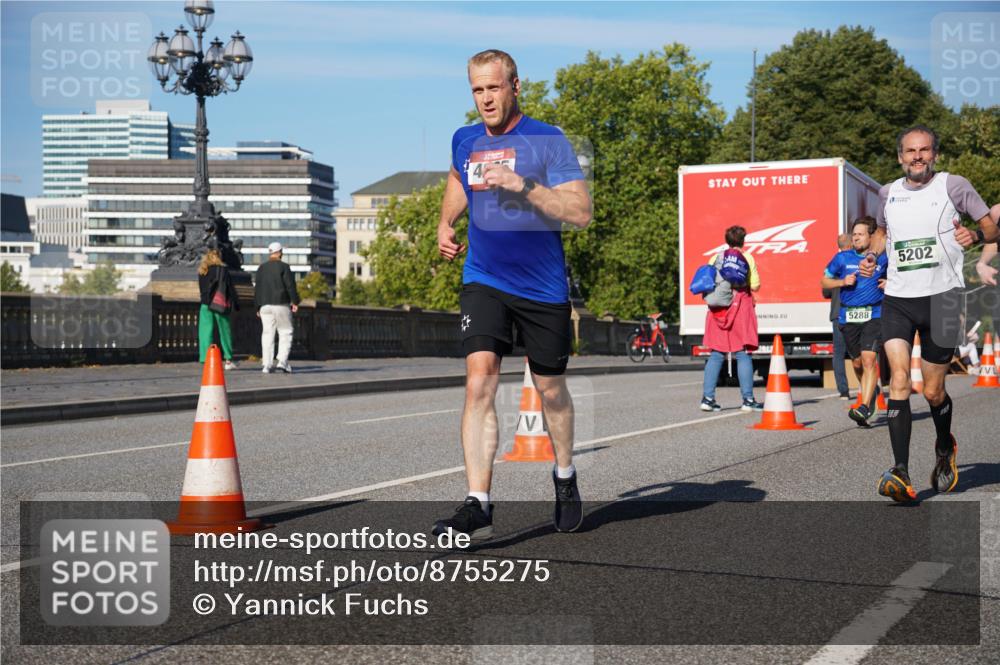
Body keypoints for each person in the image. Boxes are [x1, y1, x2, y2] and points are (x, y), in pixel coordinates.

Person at [434, 49, 592, 539]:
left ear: (515, 86)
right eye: (477, 90)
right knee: (479, 379)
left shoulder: (547, 139)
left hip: (542, 287)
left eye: (494, 88)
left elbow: (580, 211)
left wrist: (523, 185)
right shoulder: (465, 138)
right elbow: (460, 179)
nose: (485, 99)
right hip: (484, 278)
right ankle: (477, 501)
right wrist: (445, 220)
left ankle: (564, 476)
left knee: (550, 391)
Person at [859, 125, 998, 502]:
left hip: (945, 297)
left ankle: (943, 447)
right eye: (910, 151)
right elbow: (882, 234)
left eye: (924, 150)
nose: (917, 157)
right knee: (899, 380)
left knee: (934, 391)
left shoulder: (954, 186)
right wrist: (873, 256)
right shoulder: (887, 193)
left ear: (934, 154)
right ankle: (900, 472)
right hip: (899, 298)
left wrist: (974, 235)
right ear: (900, 156)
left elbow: (990, 228)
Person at [821, 217, 887, 426]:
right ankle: (869, 390)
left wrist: (889, 281)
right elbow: (824, 280)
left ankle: (865, 405)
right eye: (854, 234)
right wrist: (842, 281)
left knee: (869, 360)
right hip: (848, 316)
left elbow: (899, 276)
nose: (856, 237)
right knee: (857, 363)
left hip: (874, 315)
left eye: (861, 234)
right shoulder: (842, 258)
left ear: (871, 236)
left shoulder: (883, 258)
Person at [699, 225, 763, 413]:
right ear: (743, 240)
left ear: (726, 240)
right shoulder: (748, 258)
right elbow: (756, 285)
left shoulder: (715, 257)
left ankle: (708, 399)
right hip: (740, 307)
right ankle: (748, 400)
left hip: (718, 309)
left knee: (716, 353)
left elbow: (708, 281)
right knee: (743, 353)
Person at [254, 241, 300, 374]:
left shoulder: (261, 268)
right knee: (285, 331)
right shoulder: (284, 267)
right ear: (280, 253)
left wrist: (257, 306)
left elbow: (257, 288)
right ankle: (282, 362)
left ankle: (266, 365)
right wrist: (295, 301)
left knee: (267, 334)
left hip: (264, 305)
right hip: (280, 303)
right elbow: (290, 286)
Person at [823, 233, 854, 400]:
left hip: (837, 313)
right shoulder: (856, 261)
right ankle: (869, 387)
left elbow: (825, 291)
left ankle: (843, 391)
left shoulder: (833, 265)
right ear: (850, 244)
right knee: (861, 351)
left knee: (838, 353)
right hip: (856, 313)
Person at [197, 249, 238, 370]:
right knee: (224, 332)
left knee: (205, 333)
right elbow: (229, 288)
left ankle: (205, 359)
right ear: (218, 257)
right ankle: (228, 360)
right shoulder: (223, 270)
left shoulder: (202, 271)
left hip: (205, 304)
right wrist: (235, 304)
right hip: (219, 304)